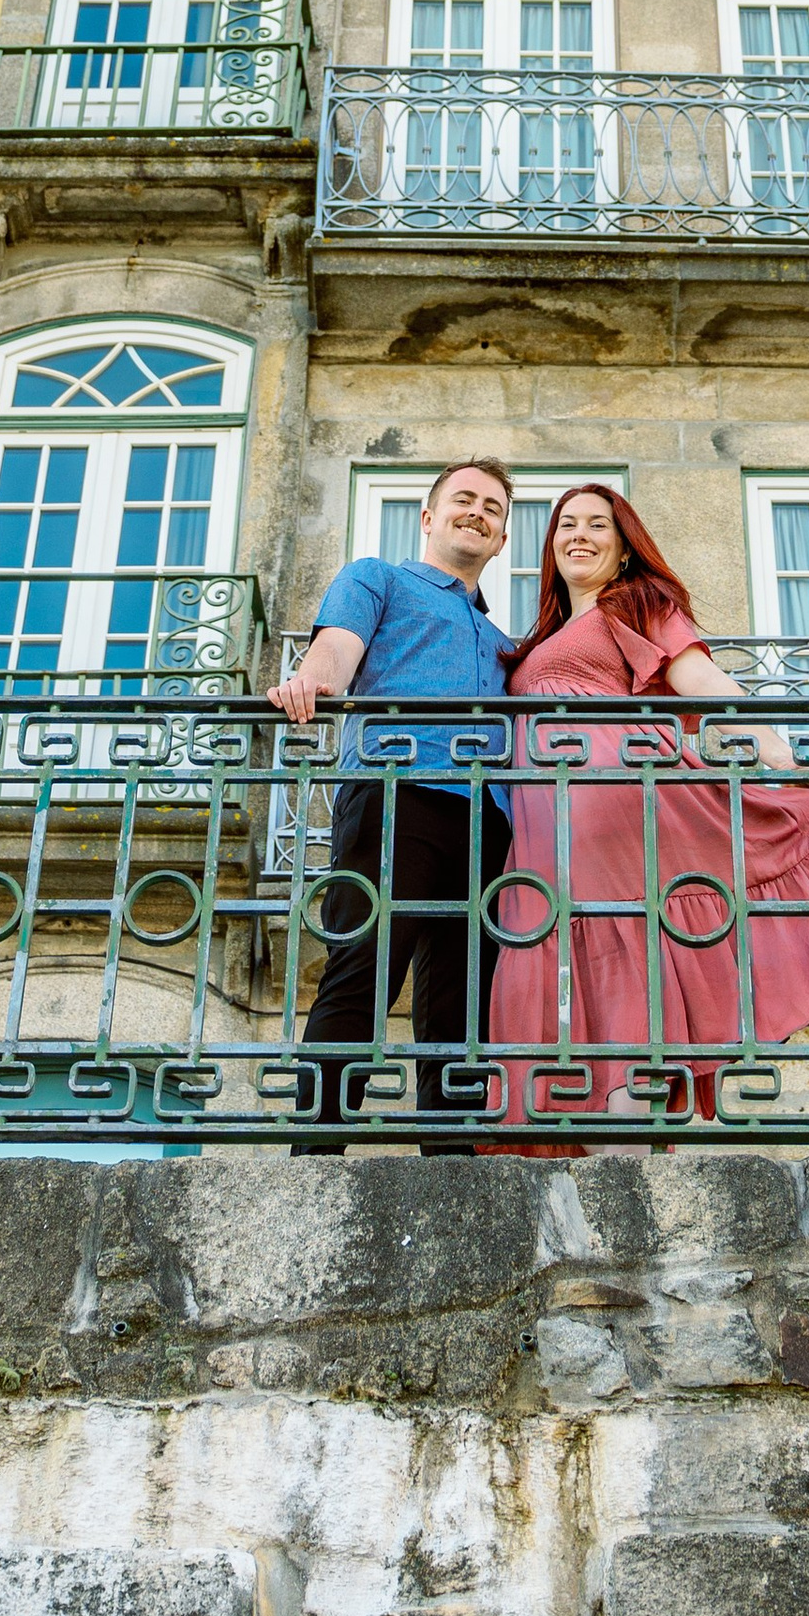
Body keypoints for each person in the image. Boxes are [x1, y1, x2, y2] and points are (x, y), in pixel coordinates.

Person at [490, 482, 809, 1148]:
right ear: (550, 545)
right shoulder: (542, 637)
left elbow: (703, 684)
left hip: (616, 800)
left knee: (622, 952)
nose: (580, 535)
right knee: (579, 967)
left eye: (599, 525)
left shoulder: (635, 603)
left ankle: (626, 1147)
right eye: (567, 524)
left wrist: (777, 752)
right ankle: (610, 1142)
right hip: (546, 834)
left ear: (624, 552)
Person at [273, 457, 516, 1153]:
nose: (477, 511)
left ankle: (452, 1162)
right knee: (365, 966)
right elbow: (336, 653)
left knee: (463, 999)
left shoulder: (503, 644)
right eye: (463, 499)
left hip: (487, 821)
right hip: (394, 793)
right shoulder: (376, 577)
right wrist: (309, 683)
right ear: (429, 516)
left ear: (501, 540)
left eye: (492, 508)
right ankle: (316, 1152)